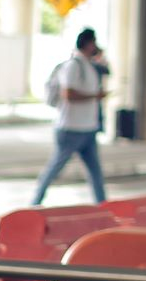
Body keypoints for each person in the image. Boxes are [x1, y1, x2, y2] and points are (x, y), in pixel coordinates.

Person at [33, 28, 108, 205]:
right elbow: (69, 94)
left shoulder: (89, 65)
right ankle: (35, 202)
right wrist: (94, 97)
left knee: (96, 173)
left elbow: (106, 71)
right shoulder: (73, 66)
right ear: (88, 43)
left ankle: (104, 206)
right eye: (94, 42)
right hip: (70, 129)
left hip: (88, 129)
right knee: (54, 168)